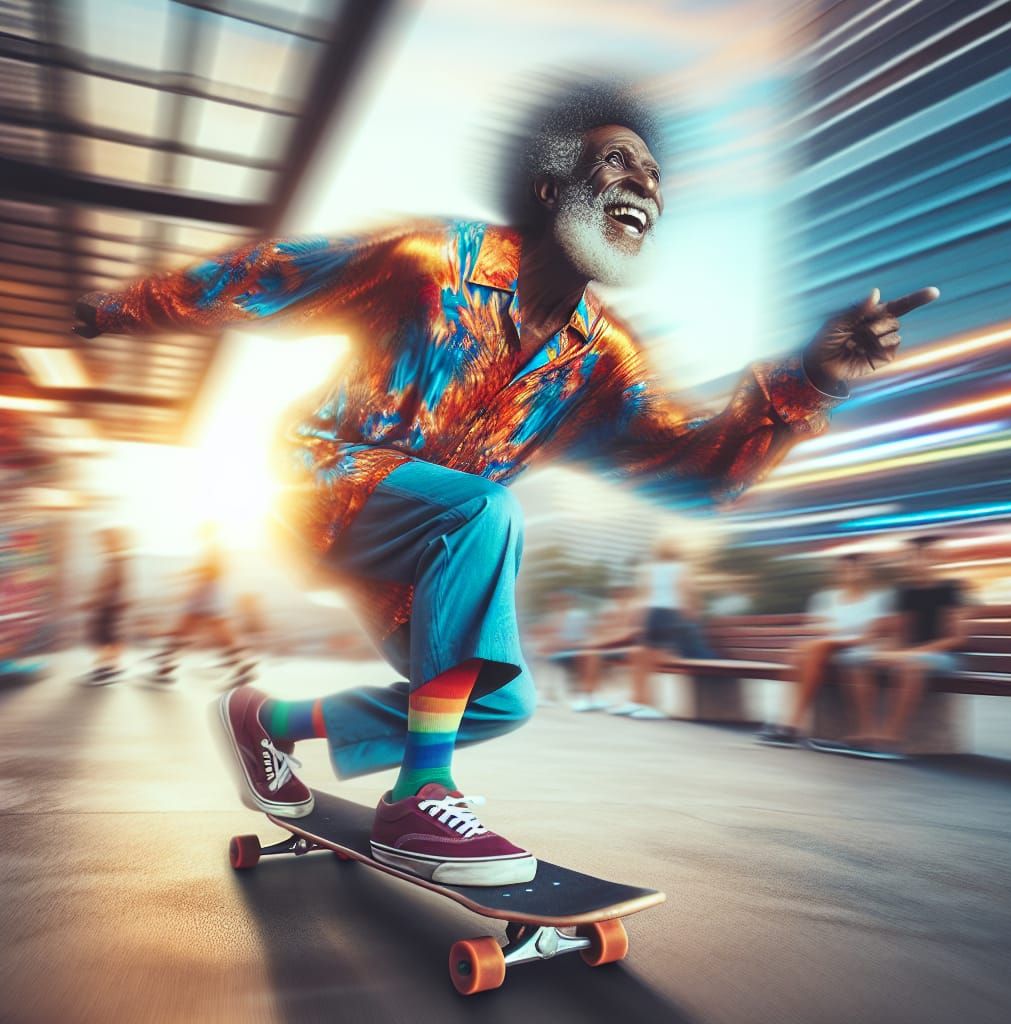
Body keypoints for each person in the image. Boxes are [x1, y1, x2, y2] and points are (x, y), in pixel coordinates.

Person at [72, 80, 937, 886]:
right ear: (550, 191)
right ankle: (419, 798)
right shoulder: (429, 261)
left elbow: (696, 474)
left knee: (500, 697)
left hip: (420, 551)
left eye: (655, 174)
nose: (645, 185)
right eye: (618, 161)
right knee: (484, 509)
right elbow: (267, 278)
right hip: (319, 479)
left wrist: (810, 382)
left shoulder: (603, 360)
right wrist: (119, 310)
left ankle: (267, 722)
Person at [827, 536, 968, 759]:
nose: (915, 563)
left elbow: (956, 638)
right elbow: (902, 634)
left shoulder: (950, 588)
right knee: (857, 661)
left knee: (909, 667)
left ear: (934, 559)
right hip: (909, 654)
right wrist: (886, 652)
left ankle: (892, 738)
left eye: (922, 557)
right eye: (910, 557)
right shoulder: (905, 591)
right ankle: (867, 731)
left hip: (943, 656)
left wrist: (909, 654)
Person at [757, 553, 893, 747]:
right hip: (826, 652)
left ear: (866, 572)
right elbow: (815, 628)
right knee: (802, 655)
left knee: (813, 648)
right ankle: (786, 722)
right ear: (838, 572)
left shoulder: (877, 599)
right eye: (846, 568)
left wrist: (838, 635)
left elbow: (872, 635)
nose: (851, 572)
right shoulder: (826, 598)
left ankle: (790, 724)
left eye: (857, 567)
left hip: (858, 650)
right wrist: (833, 635)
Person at [613, 538, 717, 719]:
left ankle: (641, 701)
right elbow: (687, 594)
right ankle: (647, 703)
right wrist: (693, 614)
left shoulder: (649, 569)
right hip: (671, 614)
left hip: (653, 614)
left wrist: (639, 622)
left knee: (645, 655)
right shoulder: (681, 568)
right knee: (652, 657)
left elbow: (644, 597)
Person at [147, 522, 254, 688]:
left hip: (205, 593)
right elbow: (205, 570)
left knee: (186, 630)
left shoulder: (212, 547)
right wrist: (181, 577)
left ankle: (164, 668)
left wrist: (187, 591)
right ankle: (242, 665)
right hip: (212, 592)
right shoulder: (216, 547)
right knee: (211, 631)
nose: (197, 534)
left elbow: (206, 572)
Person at [573, 583, 637, 712]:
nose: (618, 596)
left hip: (627, 647)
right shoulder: (611, 610)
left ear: (629, 593)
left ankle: (590, 695)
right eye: (616, 593)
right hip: (610, 646)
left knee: (591, 653)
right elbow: (602, 630)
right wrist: (596, 641)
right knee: (585, 653)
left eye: (622, 593)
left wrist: (600, 643)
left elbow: (629, 634)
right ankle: (590, 695)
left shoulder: (634, 610)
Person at [83, 527, 131, 686]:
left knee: (103, 634)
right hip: (111, 603)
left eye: (104, 540)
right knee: (109, 635)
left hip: (109, 603)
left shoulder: (116, 559)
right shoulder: (117, 558)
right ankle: (113, 666)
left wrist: (96, 600)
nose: (101, 544)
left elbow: (111, 584)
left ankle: (106, 667)